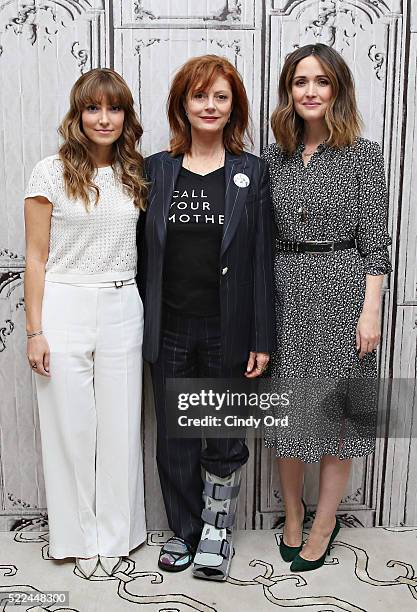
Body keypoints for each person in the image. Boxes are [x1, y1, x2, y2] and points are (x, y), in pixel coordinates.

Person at [138, 54, 275, 580]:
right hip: (169, 325)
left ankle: (218, 529)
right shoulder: (157, 169)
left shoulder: (251, 171)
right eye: (200, 96)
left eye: (220, 96)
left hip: (228, 329)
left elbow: (262, 260)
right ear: (182, 104)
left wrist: (260, 335)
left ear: (232, 105)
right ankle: (185, 531)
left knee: (220, 432)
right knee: (175, 435)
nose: (209, 105)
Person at [262, 43, 392, 572]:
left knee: (337, 417)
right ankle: (293, 512)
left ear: (337, 90)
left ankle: (325, 520)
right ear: (288, 92)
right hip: (285, 292)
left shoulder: (363, 154)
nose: (310, 91)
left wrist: (371, 310)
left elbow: (376, 241)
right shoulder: (273, 158)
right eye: (300, 81)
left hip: (343, 291)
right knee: (287, 413)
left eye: (321, 81)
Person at [24, 68, 147, 579]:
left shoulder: (137, 172)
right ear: (78, 115)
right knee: (70, 427)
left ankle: (116, 536)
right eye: (93, 108)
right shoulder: (50, 172)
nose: (104, 118)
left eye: (114, 108)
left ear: (125, 117)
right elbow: (34, 256)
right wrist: (35, 331)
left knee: (121, 425)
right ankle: (76, 535)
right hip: (65, 303)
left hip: (123, 302)